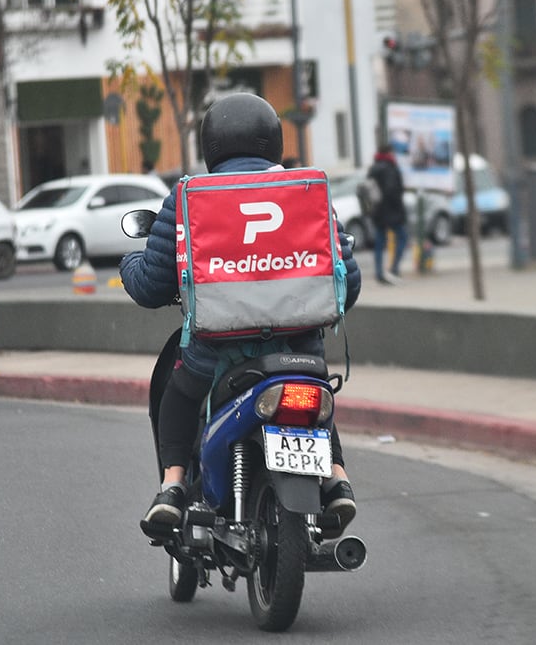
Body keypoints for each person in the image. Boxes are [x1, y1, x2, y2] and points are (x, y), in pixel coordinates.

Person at [120, 93, 363, 539]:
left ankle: (173, 486)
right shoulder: (306, 191)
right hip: (299, 354)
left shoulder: (190, 196)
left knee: (177, 395)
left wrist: (127, 265)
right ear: (273, 141)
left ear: (211, 145)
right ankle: (335, 477)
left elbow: (152, 285)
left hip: (214, 360)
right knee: (315, 401)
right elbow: (347, 282)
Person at [367, 144, 408, 285]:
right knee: (402, 238)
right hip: (392, 212)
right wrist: (399, 209)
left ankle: (379, 272)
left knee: (379, 242)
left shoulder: (374, 168)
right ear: (389, 153)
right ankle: (394, 268)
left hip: (377, 212)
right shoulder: (390, 168)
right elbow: (392, 191)